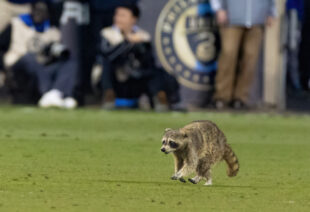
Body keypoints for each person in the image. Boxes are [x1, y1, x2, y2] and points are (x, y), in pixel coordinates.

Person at [95, 4, 178, 111]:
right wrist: (127, 42)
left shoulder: (142, 36)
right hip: (114, 79)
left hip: (134, 79)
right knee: (106, 64)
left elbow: (148, 62)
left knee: (157, 72)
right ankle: (108, 96)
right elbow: (107, 55)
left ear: (134, 19)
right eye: (117, 15)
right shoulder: (107, 33)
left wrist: (140, 46)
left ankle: (160, 98)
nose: (118, 18)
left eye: (123, 15)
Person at [0, 0, 78, 108]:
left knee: (70, 61)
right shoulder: (16, 24)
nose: (39, 13)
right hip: (17, 64)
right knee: (30, 57)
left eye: (43, 11)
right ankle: (47, 92)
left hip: (41, 68)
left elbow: (54, 57)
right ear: (31, 10)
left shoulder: (53, 32)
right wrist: (3, 69)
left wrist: (52, 52)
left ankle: (57, 93)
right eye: (37, 10)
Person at [210, 0, 276, 109]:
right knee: (228, 56)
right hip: (232, 17)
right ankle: (221, 97)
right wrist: (218, 9)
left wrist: (271, 12)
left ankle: (240, 98)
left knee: (250, 60)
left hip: (256, 18)